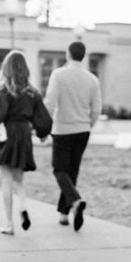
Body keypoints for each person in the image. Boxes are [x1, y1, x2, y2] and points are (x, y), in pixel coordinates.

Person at [0, 50, 51, 235]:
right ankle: (22, 207)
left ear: (6, 69)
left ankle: (9, 224)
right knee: (19, 180)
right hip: (24, 134)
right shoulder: (33, 93)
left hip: (7, 134)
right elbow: (43, 119)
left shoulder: (3, 91)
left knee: (6, 180)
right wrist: (42, 133)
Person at [44, 40, 102, 231]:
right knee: (72, 170)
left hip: (62, 129)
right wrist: (88, 125)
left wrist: (44, 126)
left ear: (68, 54)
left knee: (59, 170)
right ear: (83, 55)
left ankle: (75, 201)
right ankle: (64, 214)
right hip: (82, 130)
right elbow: (96, 110)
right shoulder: (92, 79)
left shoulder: (58, 75)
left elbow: (50, 103)